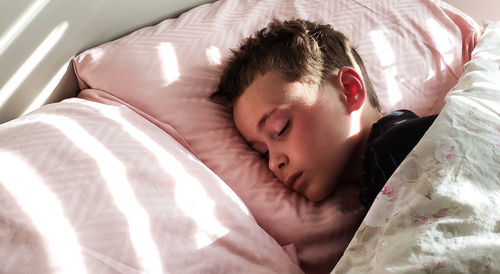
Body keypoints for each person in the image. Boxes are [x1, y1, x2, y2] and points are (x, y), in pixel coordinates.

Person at [211, 18, 436, 208]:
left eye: (280, 128)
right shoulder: (377, 177)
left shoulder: (403, 146)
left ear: (350, 90)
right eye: (263, 153)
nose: (272, 164)